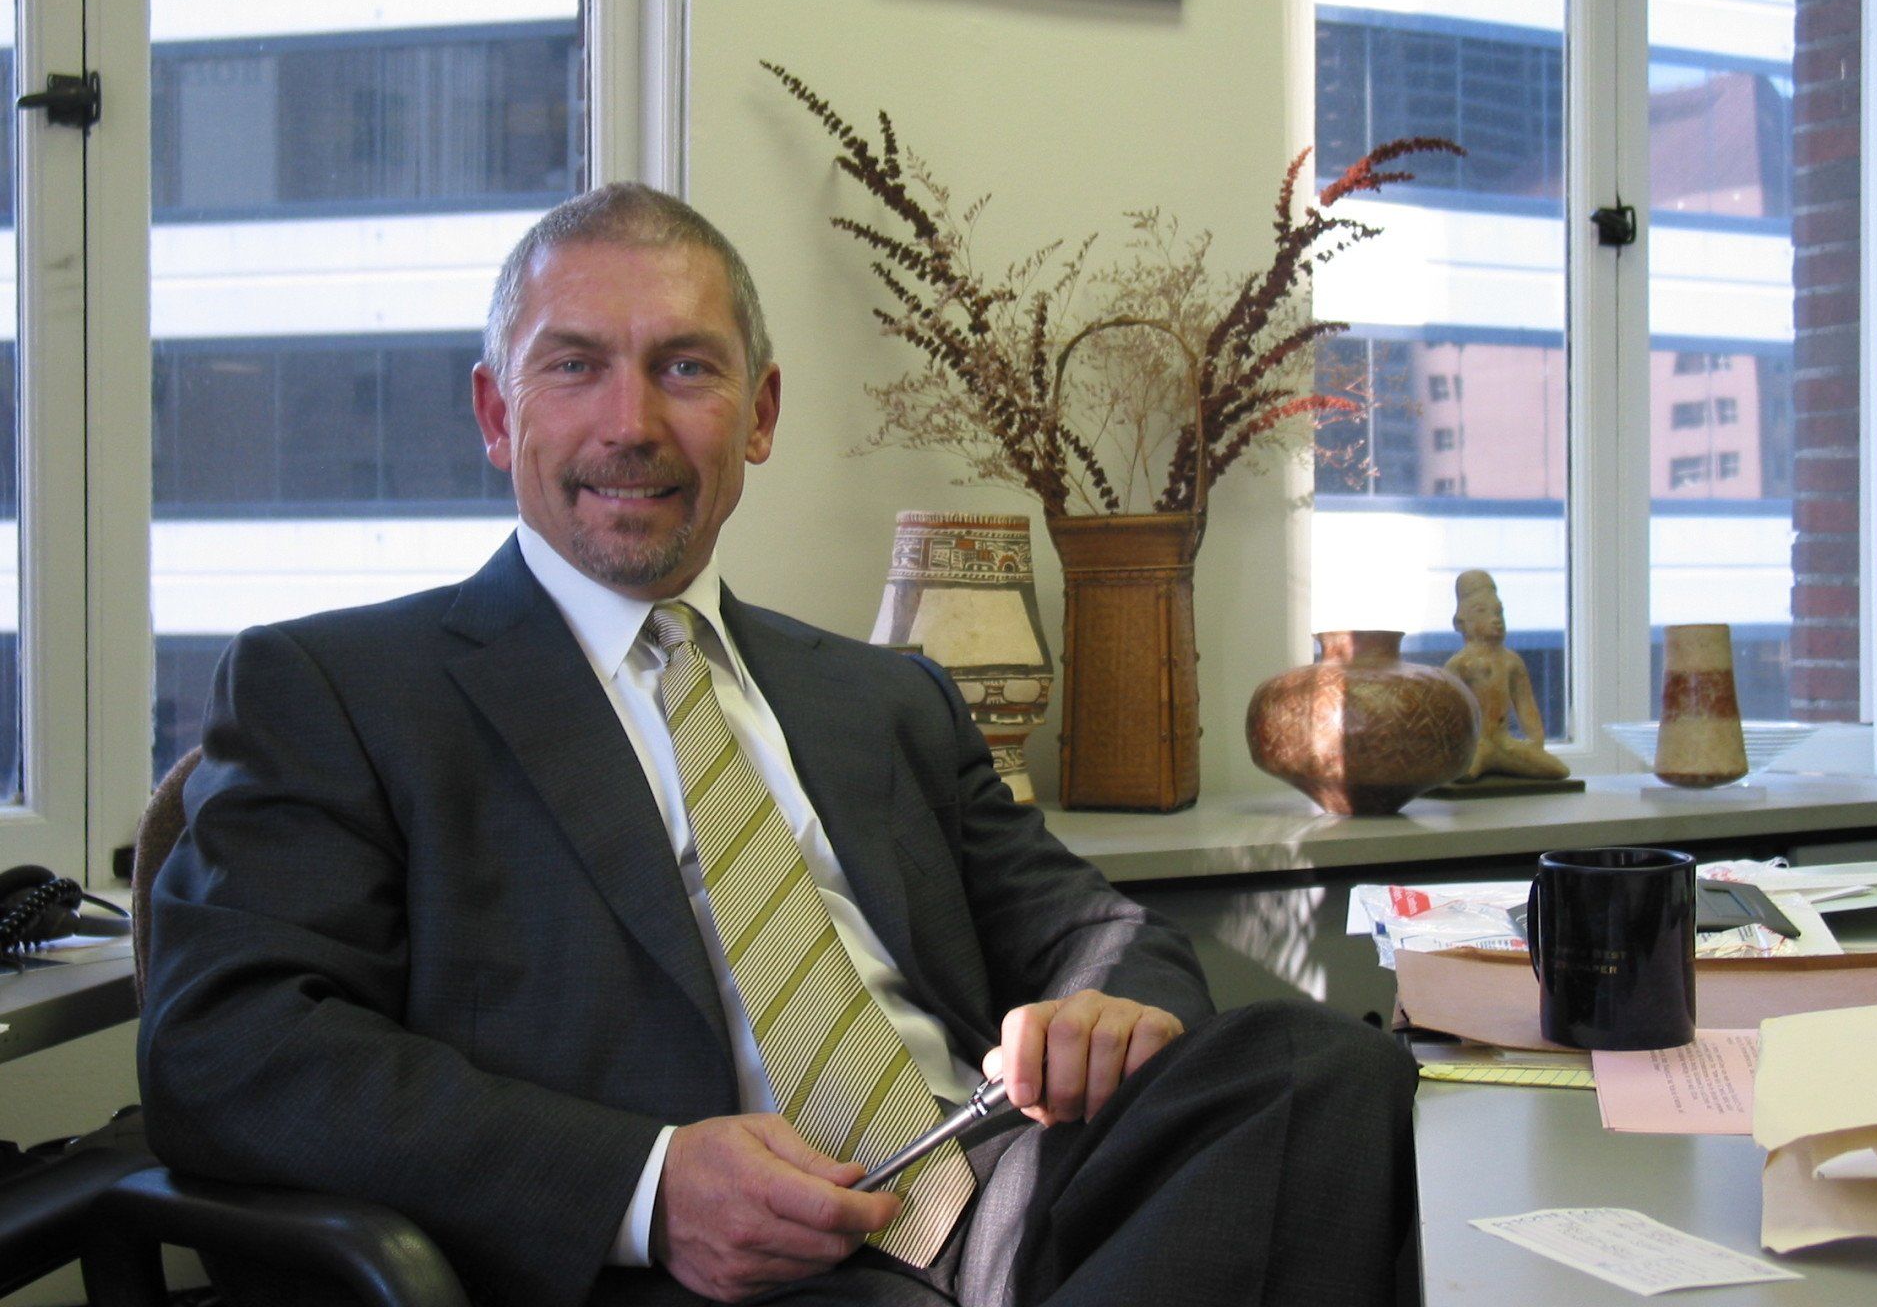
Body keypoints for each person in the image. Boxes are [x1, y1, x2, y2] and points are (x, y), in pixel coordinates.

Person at [139, 184, 1416, 1307]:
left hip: (995, 1194)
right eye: (573, 366)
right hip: (680, 1273)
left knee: (1328, 1071)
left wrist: (1110, 1010)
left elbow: (1092, 928)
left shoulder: (885, 695)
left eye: (685, 369)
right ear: (494, 411)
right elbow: (228, 1047)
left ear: (759, 413)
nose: (629, 422)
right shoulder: (341, 688)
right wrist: (644, 1187)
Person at [1444, 569, 1569, 782]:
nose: (1495, 619)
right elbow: (1446, 715)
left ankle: (1497, 758)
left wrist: (1535, 744)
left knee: (1557, 770)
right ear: (1461, 622)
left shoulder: (1511, 662)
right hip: (1477, 745)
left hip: (1504, 743)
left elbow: (1526, 706)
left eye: (1498, 612)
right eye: (1481, 611)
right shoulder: (1459, 665)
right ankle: (1486, 757)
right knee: (1464, 772)